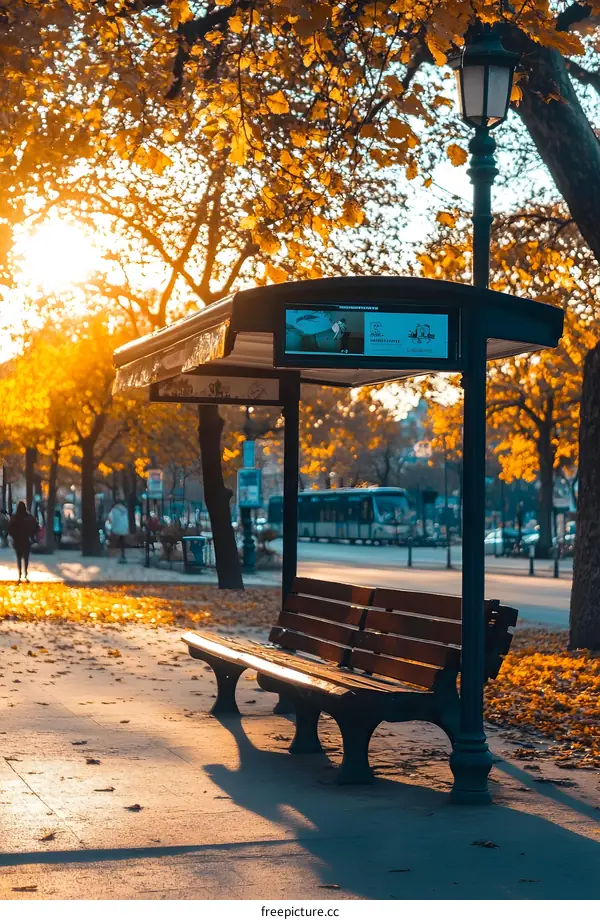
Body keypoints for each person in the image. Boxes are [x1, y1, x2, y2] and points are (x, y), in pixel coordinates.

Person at [8, 501, 39, 583]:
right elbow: (36, 527)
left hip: (17, 541)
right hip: (26, 540)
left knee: (19, 558)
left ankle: (20, 574)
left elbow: (10, 529)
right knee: (26, 558)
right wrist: (32, 535)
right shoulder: (28, 517)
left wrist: (14, 536)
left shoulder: (15, 517)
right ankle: (25, 573)